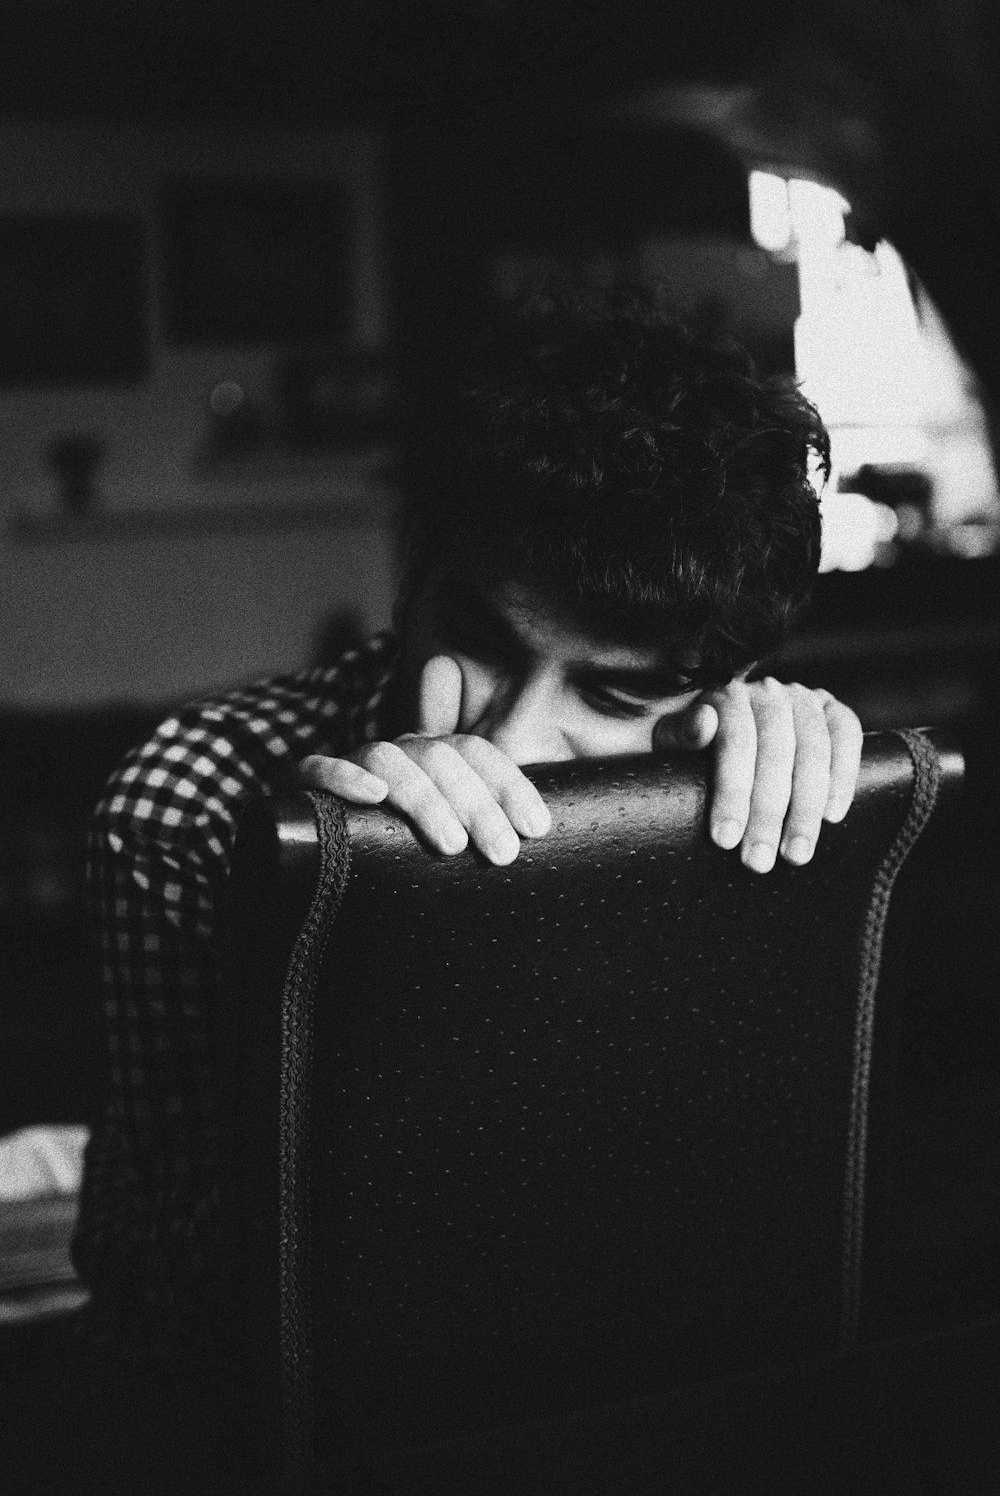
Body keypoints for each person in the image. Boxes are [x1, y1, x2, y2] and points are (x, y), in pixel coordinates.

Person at [74, 287, 861, 1387]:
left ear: (716, 683)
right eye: (479, 641)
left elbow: (755, 1216)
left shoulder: (723, 778)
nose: (517, 735)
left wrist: (808, 803)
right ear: (410, 578)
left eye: (611, 694)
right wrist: (371, 932)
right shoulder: (189, 804)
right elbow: (157, 1279)